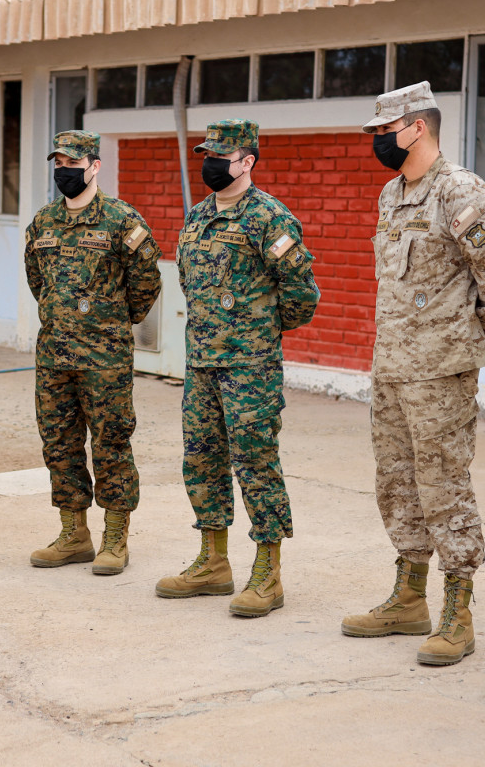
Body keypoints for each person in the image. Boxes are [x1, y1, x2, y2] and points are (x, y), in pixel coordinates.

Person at [341, 82, 485, 666]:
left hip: (441, 372)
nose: (378, 142)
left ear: (416, 127)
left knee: (444, 486)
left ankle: (458, 611)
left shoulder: (459, 189)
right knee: (396, 482)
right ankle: (409, 597)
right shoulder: (392, 194)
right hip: (392, 367)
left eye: (384, 131)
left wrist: (456, 334)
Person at [155, 119, 319, 618]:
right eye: (206, 153)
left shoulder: (270, 218)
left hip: (249, 366)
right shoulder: (200, 216)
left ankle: (267, 573)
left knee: (255, 462)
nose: (210, 163)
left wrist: (258, 332)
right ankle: (213, 561)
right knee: (202, 459)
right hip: (202, 362)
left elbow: (301, 295)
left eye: (220, 156)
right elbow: (190, 282)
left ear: (247, 161)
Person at [23, 130, 162, 575]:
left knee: (111, 443)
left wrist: (110, 324)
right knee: (59, 444)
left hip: (105, 359)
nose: (65, 171)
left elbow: (146, 284)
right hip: (54, 357)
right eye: (59, 164)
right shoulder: (43, 222)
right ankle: (73, 533)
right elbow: (36, 280)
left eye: (73, 163)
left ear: (95, 166)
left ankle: (115, 538)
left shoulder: (123, 221)